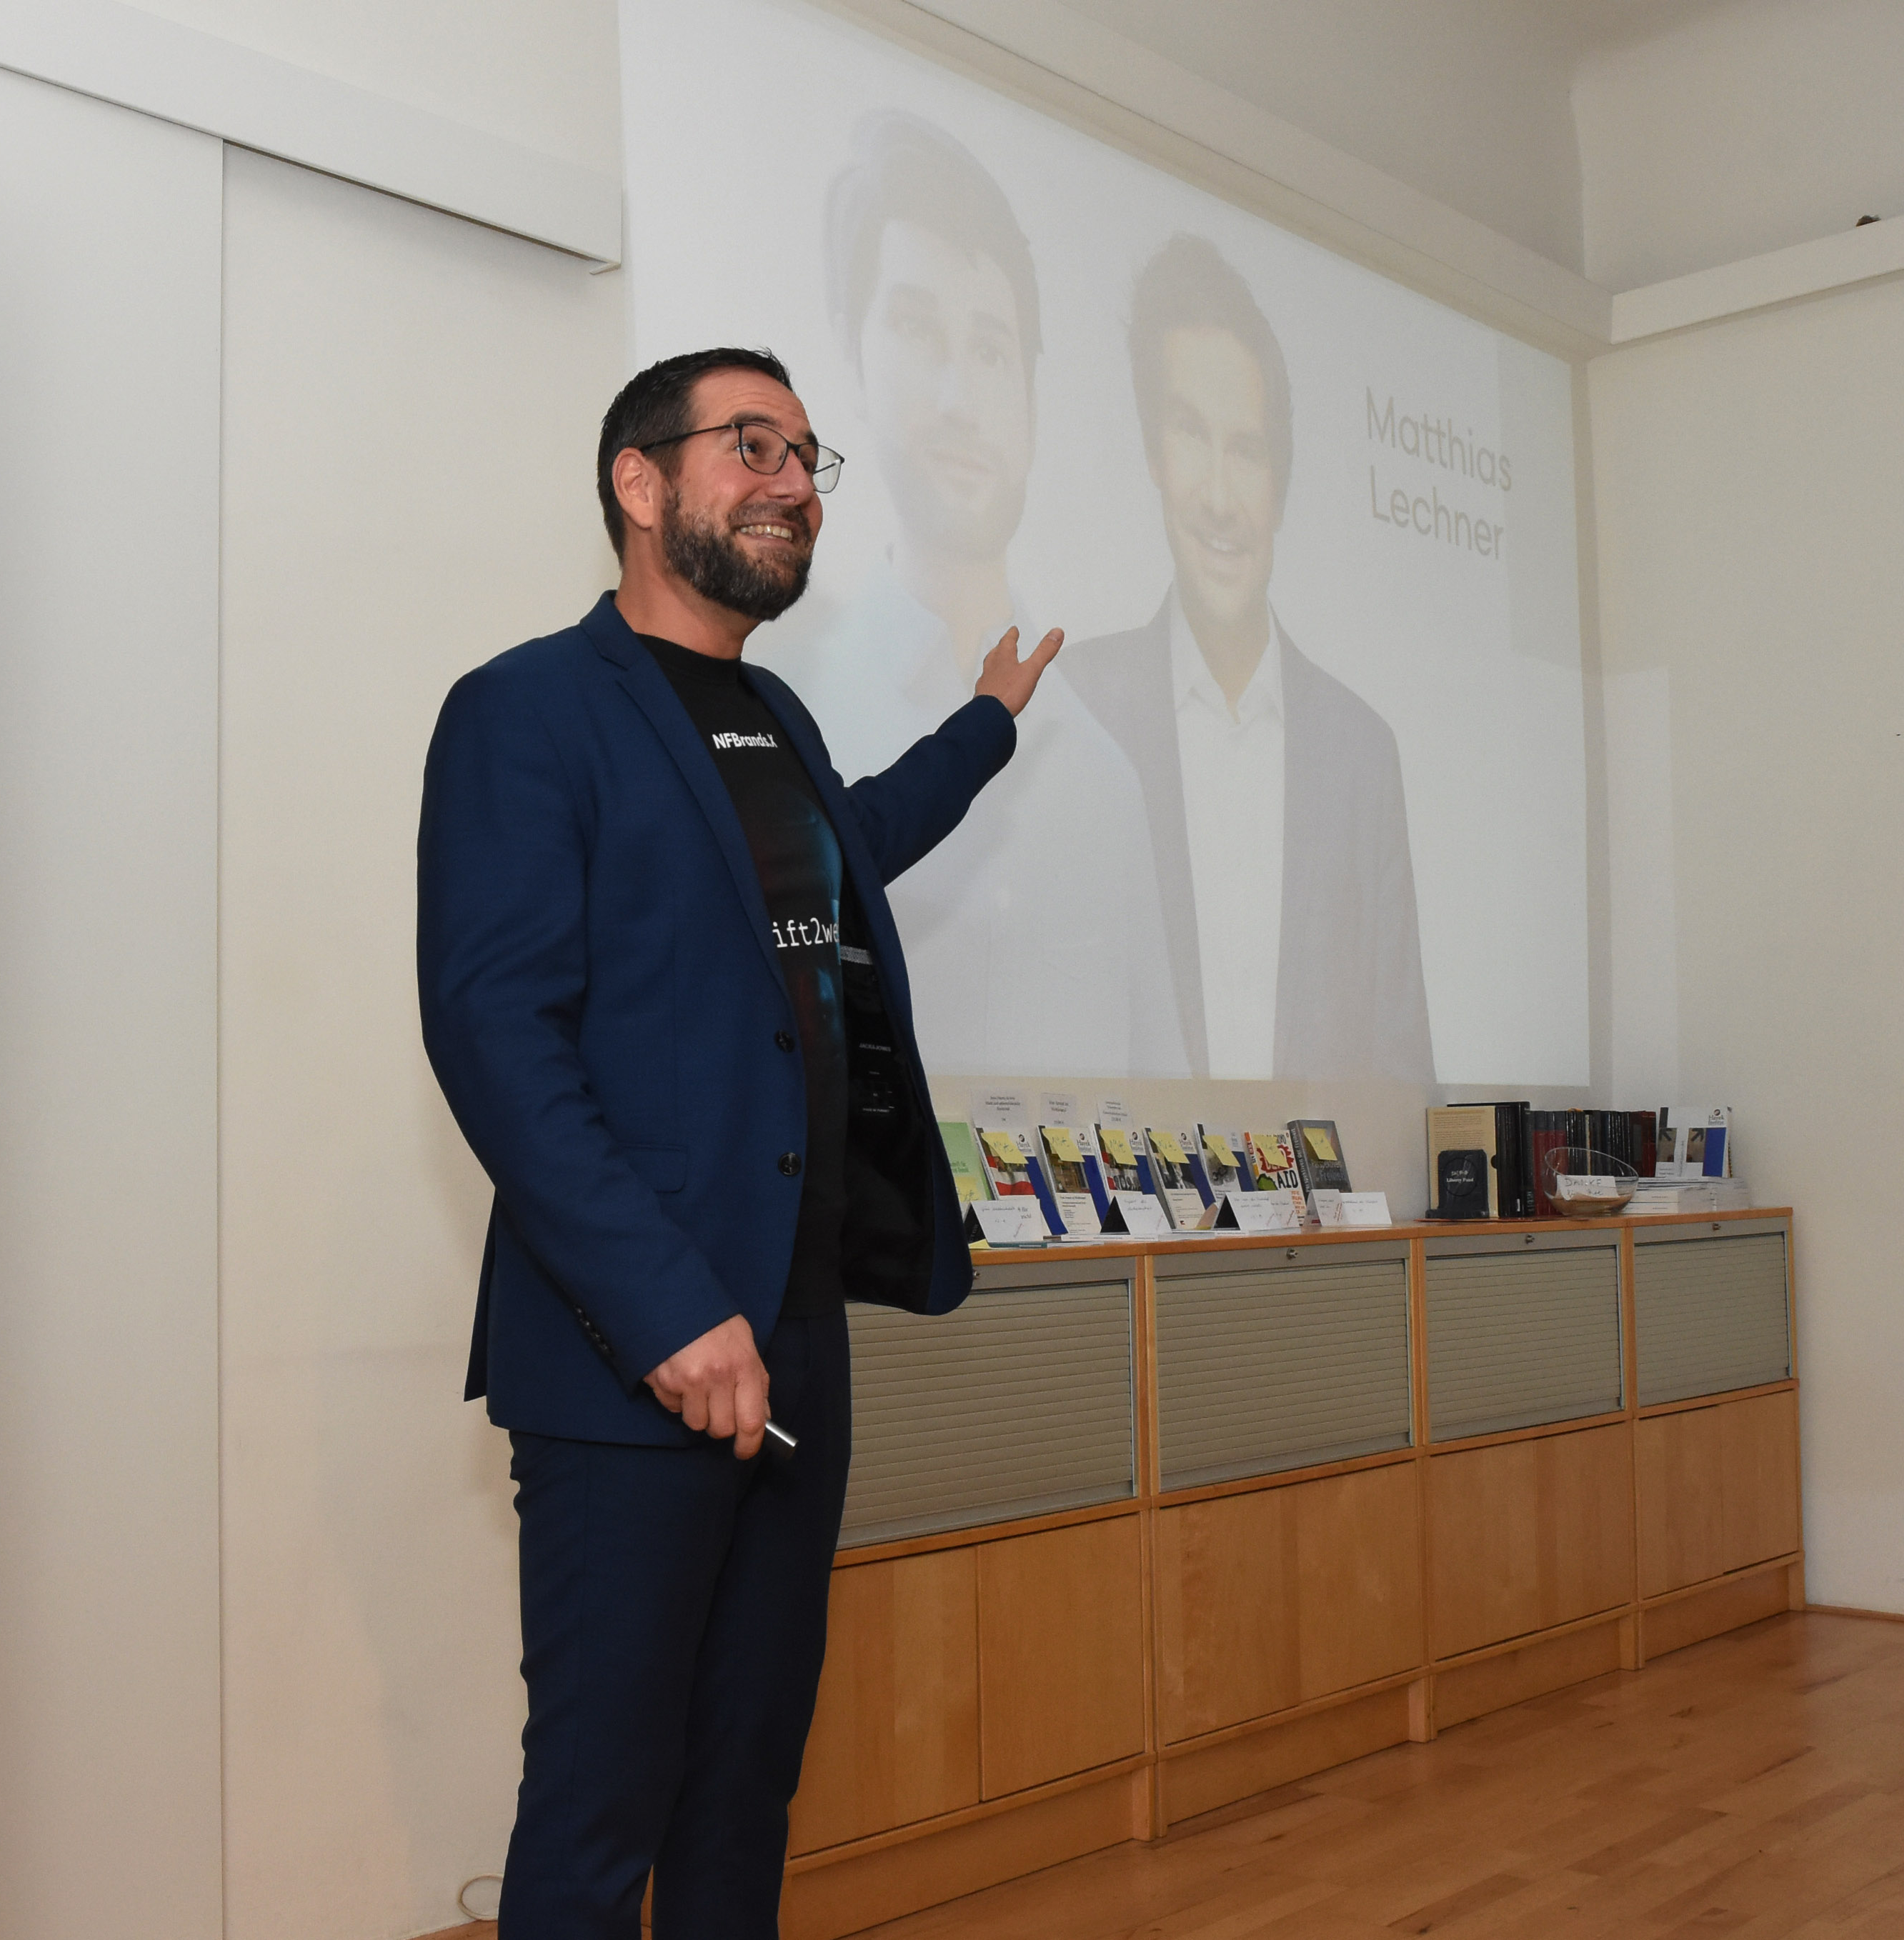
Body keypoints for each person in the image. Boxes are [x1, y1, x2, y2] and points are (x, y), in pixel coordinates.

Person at [415, 346, 1062, 1938]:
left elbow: (855, 847)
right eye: (750, 445)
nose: (791, 482)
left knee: (744, 1785)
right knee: (600, 1805)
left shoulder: (773, 715)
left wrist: (986, 724)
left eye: (806, 455)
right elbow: (496, 1037)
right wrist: (669, 1316)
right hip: (633, 1357)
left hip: (794, 1341)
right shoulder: (525, 710)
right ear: (639, 483)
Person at [763, 111, 1185, 1079]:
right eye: (918, 329)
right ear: (853, 354)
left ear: (1032, 398)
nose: (960, 397)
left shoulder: (1107, 777)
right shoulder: (778, 711)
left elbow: (1165, 1090)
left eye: (993, 349)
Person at [1065, 234, 1435, 1083]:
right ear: (1155, 457)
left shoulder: (1361, 754)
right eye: (1191, 434)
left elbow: (1403, 1066)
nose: (1221, 497)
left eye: (1249, 448)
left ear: (1281, 483)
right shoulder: (1078, 711)